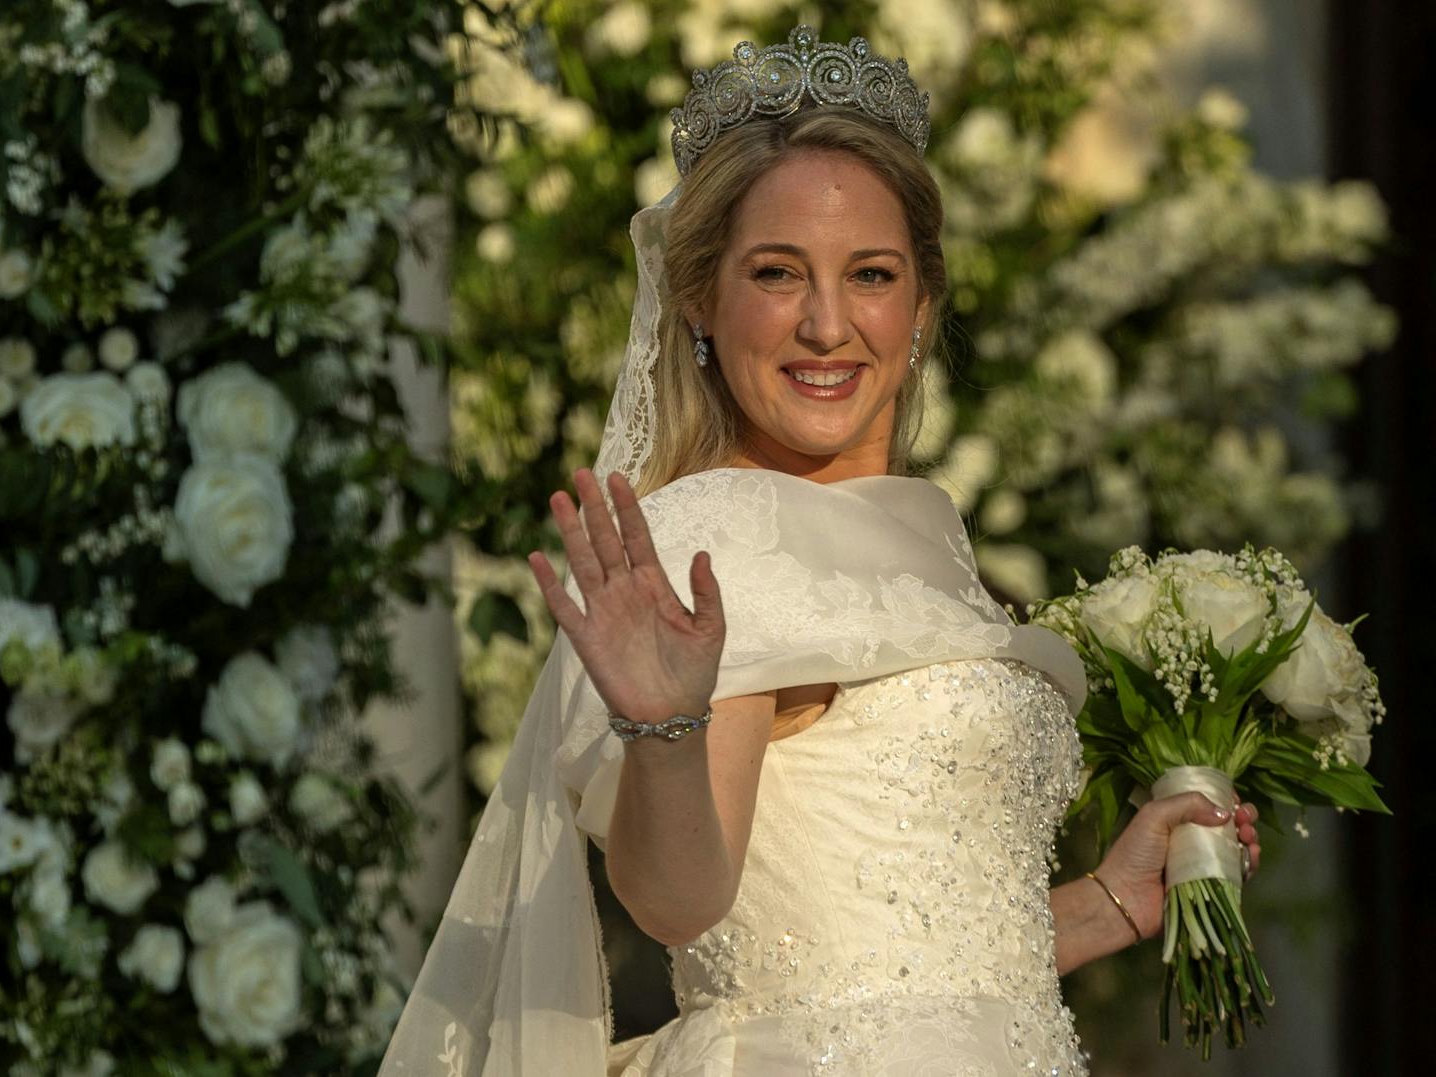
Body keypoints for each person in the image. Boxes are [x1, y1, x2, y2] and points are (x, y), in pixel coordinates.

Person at [381, 26, 1262, 1075]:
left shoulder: (920, 534)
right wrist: (664, 727)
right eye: (777, 274)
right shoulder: (723, 536)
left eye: (872, 275)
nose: (828, 325)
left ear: (922, 305)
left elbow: (901, 954)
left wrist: (1106, 902)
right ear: (699, 298)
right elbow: (680, 905)